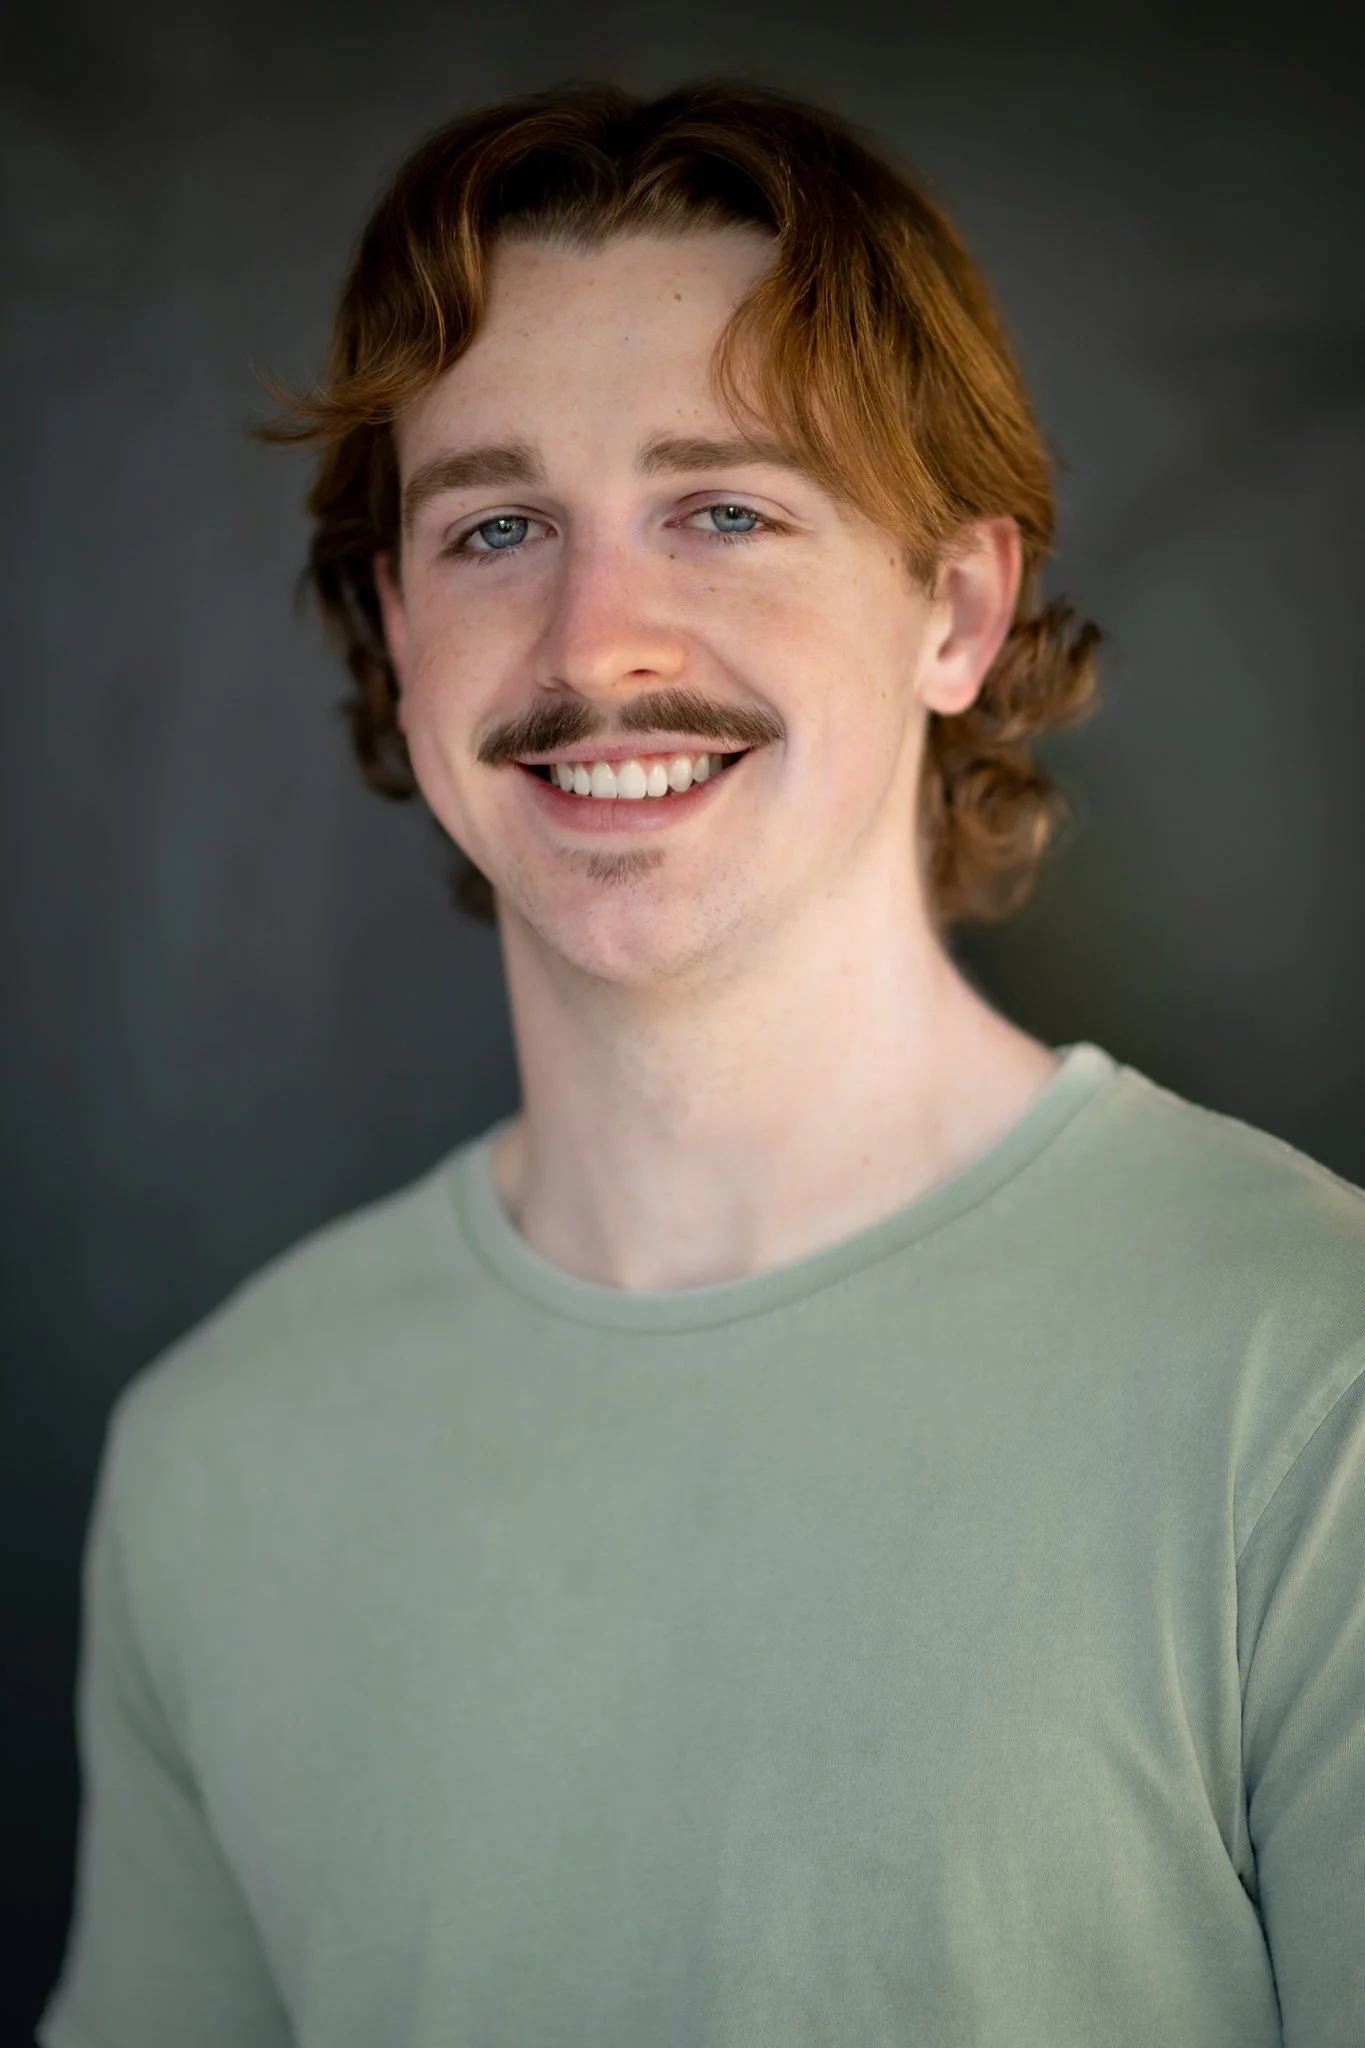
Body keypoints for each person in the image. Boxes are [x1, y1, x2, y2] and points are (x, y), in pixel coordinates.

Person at [38, 80, 1364, 2048]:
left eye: (724, 510)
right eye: (497, 527)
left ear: (955, 606)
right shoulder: (216, 1458)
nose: (599, 642)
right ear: (397, 628)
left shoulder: (1313, 1378)